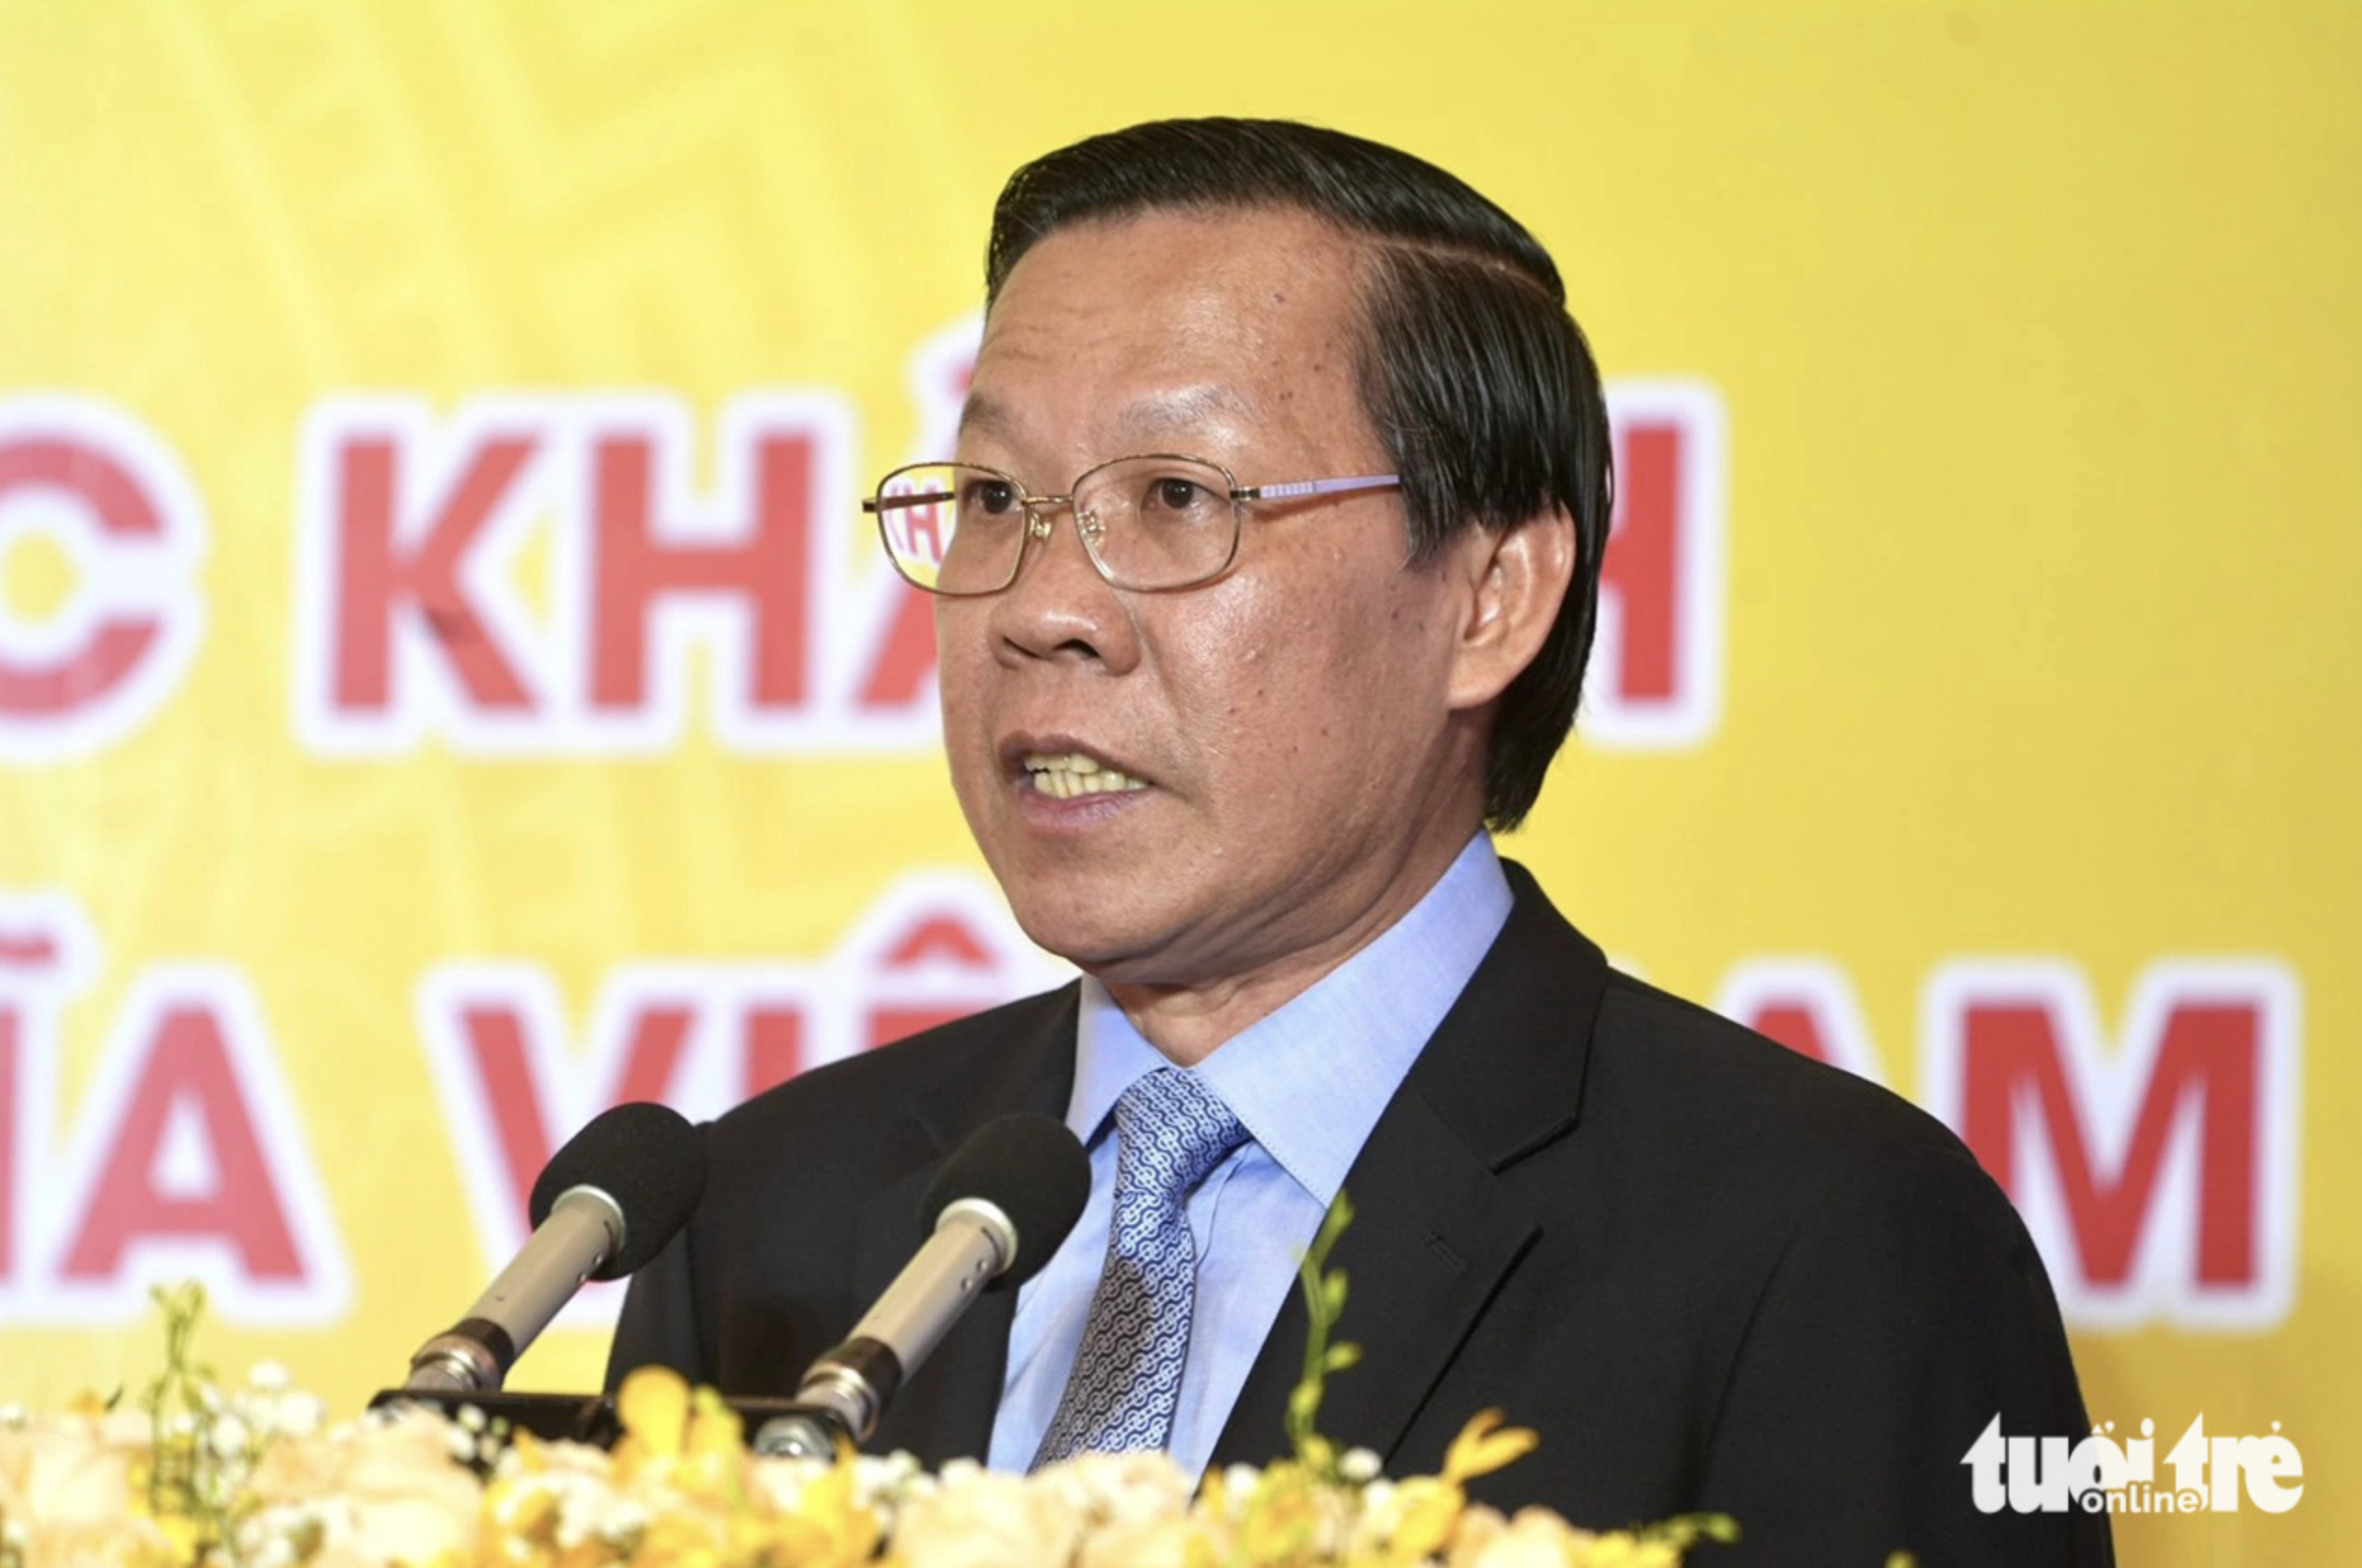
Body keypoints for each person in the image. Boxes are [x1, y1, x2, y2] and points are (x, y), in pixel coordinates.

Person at [610, 118, 2111, 1565]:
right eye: (999, 499)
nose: (1036, 607)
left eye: (1177, 498)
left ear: (1488, 599)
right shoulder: (761, 1223)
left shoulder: (1823, 1249)